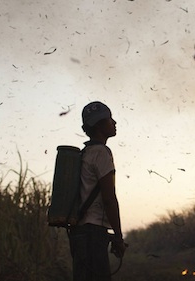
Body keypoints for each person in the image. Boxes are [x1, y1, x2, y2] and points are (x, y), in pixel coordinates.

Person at [69, 101, 126, 281]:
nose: (114, 122)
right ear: (99, 125)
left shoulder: (86, 153)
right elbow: (109, 199)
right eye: (110, 119)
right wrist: (118, 236)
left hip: (79, 233)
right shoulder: (101, 153)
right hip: (93, 234)